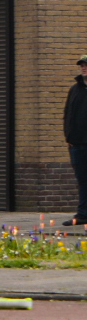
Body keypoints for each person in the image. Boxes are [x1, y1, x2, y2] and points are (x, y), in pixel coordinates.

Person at [67, 55, 87, 226]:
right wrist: (69, 136)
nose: (83, 68)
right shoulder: (74, 90)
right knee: (82, 179)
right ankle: (82, 214)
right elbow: (68, 114)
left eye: (86, 65)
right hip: (77, 143)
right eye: (82, 65)